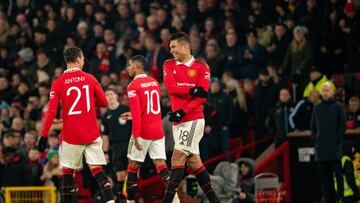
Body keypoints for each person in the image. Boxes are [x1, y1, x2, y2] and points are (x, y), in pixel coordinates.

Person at [37, 47, 114, 203]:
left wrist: (44, 135)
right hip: (91, 132)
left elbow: (51, 111)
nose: (84, 61)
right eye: (83, 58)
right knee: (97, 169)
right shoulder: (90, 78)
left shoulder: (58, 83)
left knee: (67, 171)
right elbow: (104, 102)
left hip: (71, 135)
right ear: (79, 59)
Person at [162, 32, 219, 202]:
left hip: (193, 119)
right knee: (194, 162)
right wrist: (191, 89)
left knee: (177, 157)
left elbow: (201, 97)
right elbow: (171, 88)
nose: (171, 50)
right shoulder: (168, 64)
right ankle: (215, 200)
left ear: (185, 46)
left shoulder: (202, 67)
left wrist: (183, 111)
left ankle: (167, 200)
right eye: (170, 47)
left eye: (174, 46)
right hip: (178, 121)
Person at [121, 55, 174, 203]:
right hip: (157, 130)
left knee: (133, 166)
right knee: (161, 165)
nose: (127, 68)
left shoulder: (132, 86)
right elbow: (149, 110)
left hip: (143, 131)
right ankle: (175, 199)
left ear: (137, 67)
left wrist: (137, 135)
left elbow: (139, 113)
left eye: (130, 65)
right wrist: (133, 115)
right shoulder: (154, 82)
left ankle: (130, 202)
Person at [310, 82, 346, 203]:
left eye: (327, 90)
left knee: (338, 175)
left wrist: (336, 140)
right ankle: (325, 197)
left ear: (332, 92)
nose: (325, 92)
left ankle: (340, 197)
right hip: (321, 148)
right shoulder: (317, 107)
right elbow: (313, 126)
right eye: (323, 90)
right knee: (324, 176)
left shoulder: (339, 107)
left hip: (334, 148)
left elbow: (342, 127)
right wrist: (315, 138)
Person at [101, 87, 132, 200]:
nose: (109, 97)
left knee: (132, 172)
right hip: (116, 147)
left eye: (111, 94)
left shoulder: (125, 109)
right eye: (107, 95)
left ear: (116, 95)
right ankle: (122, 199)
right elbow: (105, 136)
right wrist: (105, 152)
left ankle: (132, 198)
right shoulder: (106, 116)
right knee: (120, 174)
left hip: (129, 144)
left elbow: (135, 127)